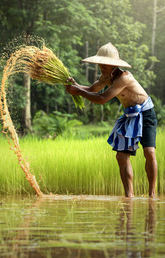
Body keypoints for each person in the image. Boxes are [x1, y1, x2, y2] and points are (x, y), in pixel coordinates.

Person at [65, 42, 158, 198]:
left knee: (149, 152)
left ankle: (152, 194)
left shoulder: (124, 77)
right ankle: (129, 196)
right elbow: (92, 90)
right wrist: (75, 86)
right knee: (121, 156)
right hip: (130, 115)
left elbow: (102, 99)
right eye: (100, 63)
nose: (103, 66)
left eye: (106, 63)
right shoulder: (105, 77)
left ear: (115, 64)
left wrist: (78, 91)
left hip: (146, 113)